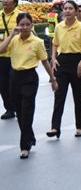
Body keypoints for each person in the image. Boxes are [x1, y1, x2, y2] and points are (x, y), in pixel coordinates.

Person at [0, 13, 57, 158]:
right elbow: (1, 50)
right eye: (21, 24)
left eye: (27, 24)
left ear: (32, 25)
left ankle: (24, 146)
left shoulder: (37, 42)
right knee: (19, 112)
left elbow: (45, 61)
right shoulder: (14, 40)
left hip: (30, 78)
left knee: (27, 111)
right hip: (15, 77)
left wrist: (53, 79)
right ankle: (30, 137)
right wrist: (12, 34)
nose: (24, 27)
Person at [48, 1, 81, 138]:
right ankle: (55, 127)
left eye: (70, 9)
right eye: (65, 8)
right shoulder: (59, 27)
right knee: (59, 95)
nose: (67, 11)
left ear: (75, 11)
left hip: (77, 61)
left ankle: (79, 127)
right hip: (62, 62)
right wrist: (54, 58)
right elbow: (55, 44)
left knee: (78, 96)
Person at [0, 0, 22, 120]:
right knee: (2, 84)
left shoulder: (21, 16)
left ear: (15, 2)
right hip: (2, 56)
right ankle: (9, 108)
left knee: (14, 83)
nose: (6, 1)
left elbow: (29, 32)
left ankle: (18, 106)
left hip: (16, 55)